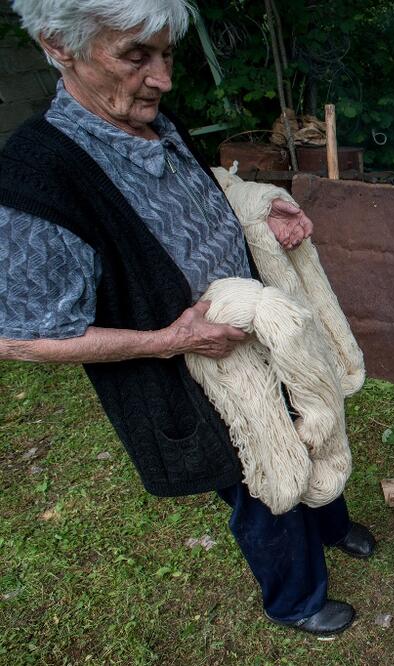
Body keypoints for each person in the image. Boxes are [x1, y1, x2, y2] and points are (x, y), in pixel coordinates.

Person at [0, 0, 374, 639]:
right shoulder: (37, 178)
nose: (164, 78)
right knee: (262, 482)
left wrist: (260, 209)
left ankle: (330, 522)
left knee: (314, 417)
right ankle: (296, 597)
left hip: (261, 326)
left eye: (167, 54)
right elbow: (23, 339)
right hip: (198, 372)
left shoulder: (144, 115)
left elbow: (196, 191)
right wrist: (174, 338)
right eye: (135, 57)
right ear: (58, 46)